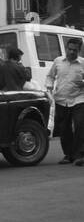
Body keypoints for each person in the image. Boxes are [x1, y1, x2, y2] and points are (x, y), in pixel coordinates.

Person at [46, 37, 84, 165]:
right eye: (70, 49)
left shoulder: (83, 63)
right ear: (66, 48)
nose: (72, 52)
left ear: (79, 50)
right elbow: (50, 76)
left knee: (79, 125)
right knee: (64, 128)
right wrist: (49, 86)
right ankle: (68, 154)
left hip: (79, 99)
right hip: (61, 99)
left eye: (75, 50)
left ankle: (79, 154)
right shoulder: (58, 61)